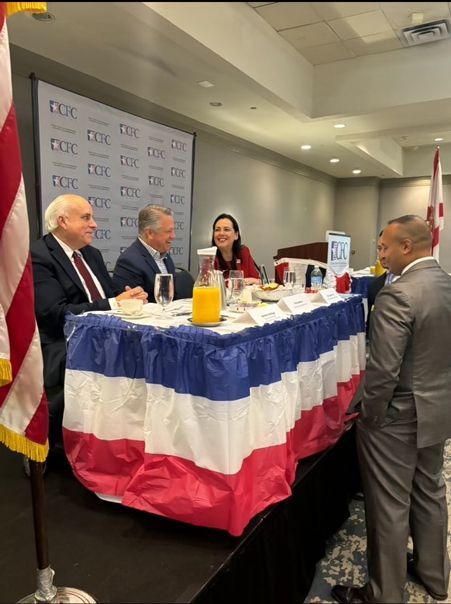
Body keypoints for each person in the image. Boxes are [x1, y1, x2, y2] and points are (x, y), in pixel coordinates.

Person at [332, 215, 451, 604]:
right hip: (438, 409)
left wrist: (371, 417)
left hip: (397, 416)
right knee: (430, 489)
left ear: (407, 247)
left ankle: (384, 595)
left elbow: (383, 370)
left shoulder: (397, 295)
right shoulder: (446, 284)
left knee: (389, 506)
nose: (379, 255)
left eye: (384, 247)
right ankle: (435, 577)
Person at [31, 194, 147, 450]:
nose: (94, 224)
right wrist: (115, 302)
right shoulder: (40, 255)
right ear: (62, 221)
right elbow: (56, 314)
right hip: (61, 342)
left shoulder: (91, 254)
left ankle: (126, 435)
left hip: (103, 335)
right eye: (86, 217)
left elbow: (107, 298)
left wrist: (129, 298)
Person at [113, 204, 177, 302]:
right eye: (169, 231)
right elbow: (131, 304)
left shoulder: (165, 257)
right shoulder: (129, 262)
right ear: (149, 233)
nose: (173, 236)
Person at [211, 213, 260, 284]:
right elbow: (206, 286)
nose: (221, 233)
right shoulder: (209, 258)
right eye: (217, 230)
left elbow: (258, 281)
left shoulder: (244, 252)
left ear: (236, 235)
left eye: (226, 229)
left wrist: (244, 281)